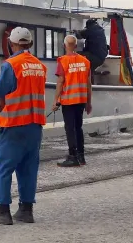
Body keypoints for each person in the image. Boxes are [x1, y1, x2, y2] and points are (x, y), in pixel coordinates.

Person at [0, 27, 47, 226]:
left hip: (14, 124)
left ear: (11, 44)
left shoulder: (10, 65)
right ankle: (26, 210)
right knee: (28, 168)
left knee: (3, 168)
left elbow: (1, 91)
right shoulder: (40, 66)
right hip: (35, 124)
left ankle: (3, 210)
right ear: (29, 44)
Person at [53, 35, 92, 167]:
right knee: (78, 128)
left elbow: (60, 82)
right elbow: (89, 84)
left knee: (70, 129)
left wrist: (55, 100)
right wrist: (88, 102)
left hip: (68, 101)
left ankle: (72, 156)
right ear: (75, 46)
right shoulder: (85, 61)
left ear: (64, 46)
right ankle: (81, 156)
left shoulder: (62, 61)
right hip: (81, 100)